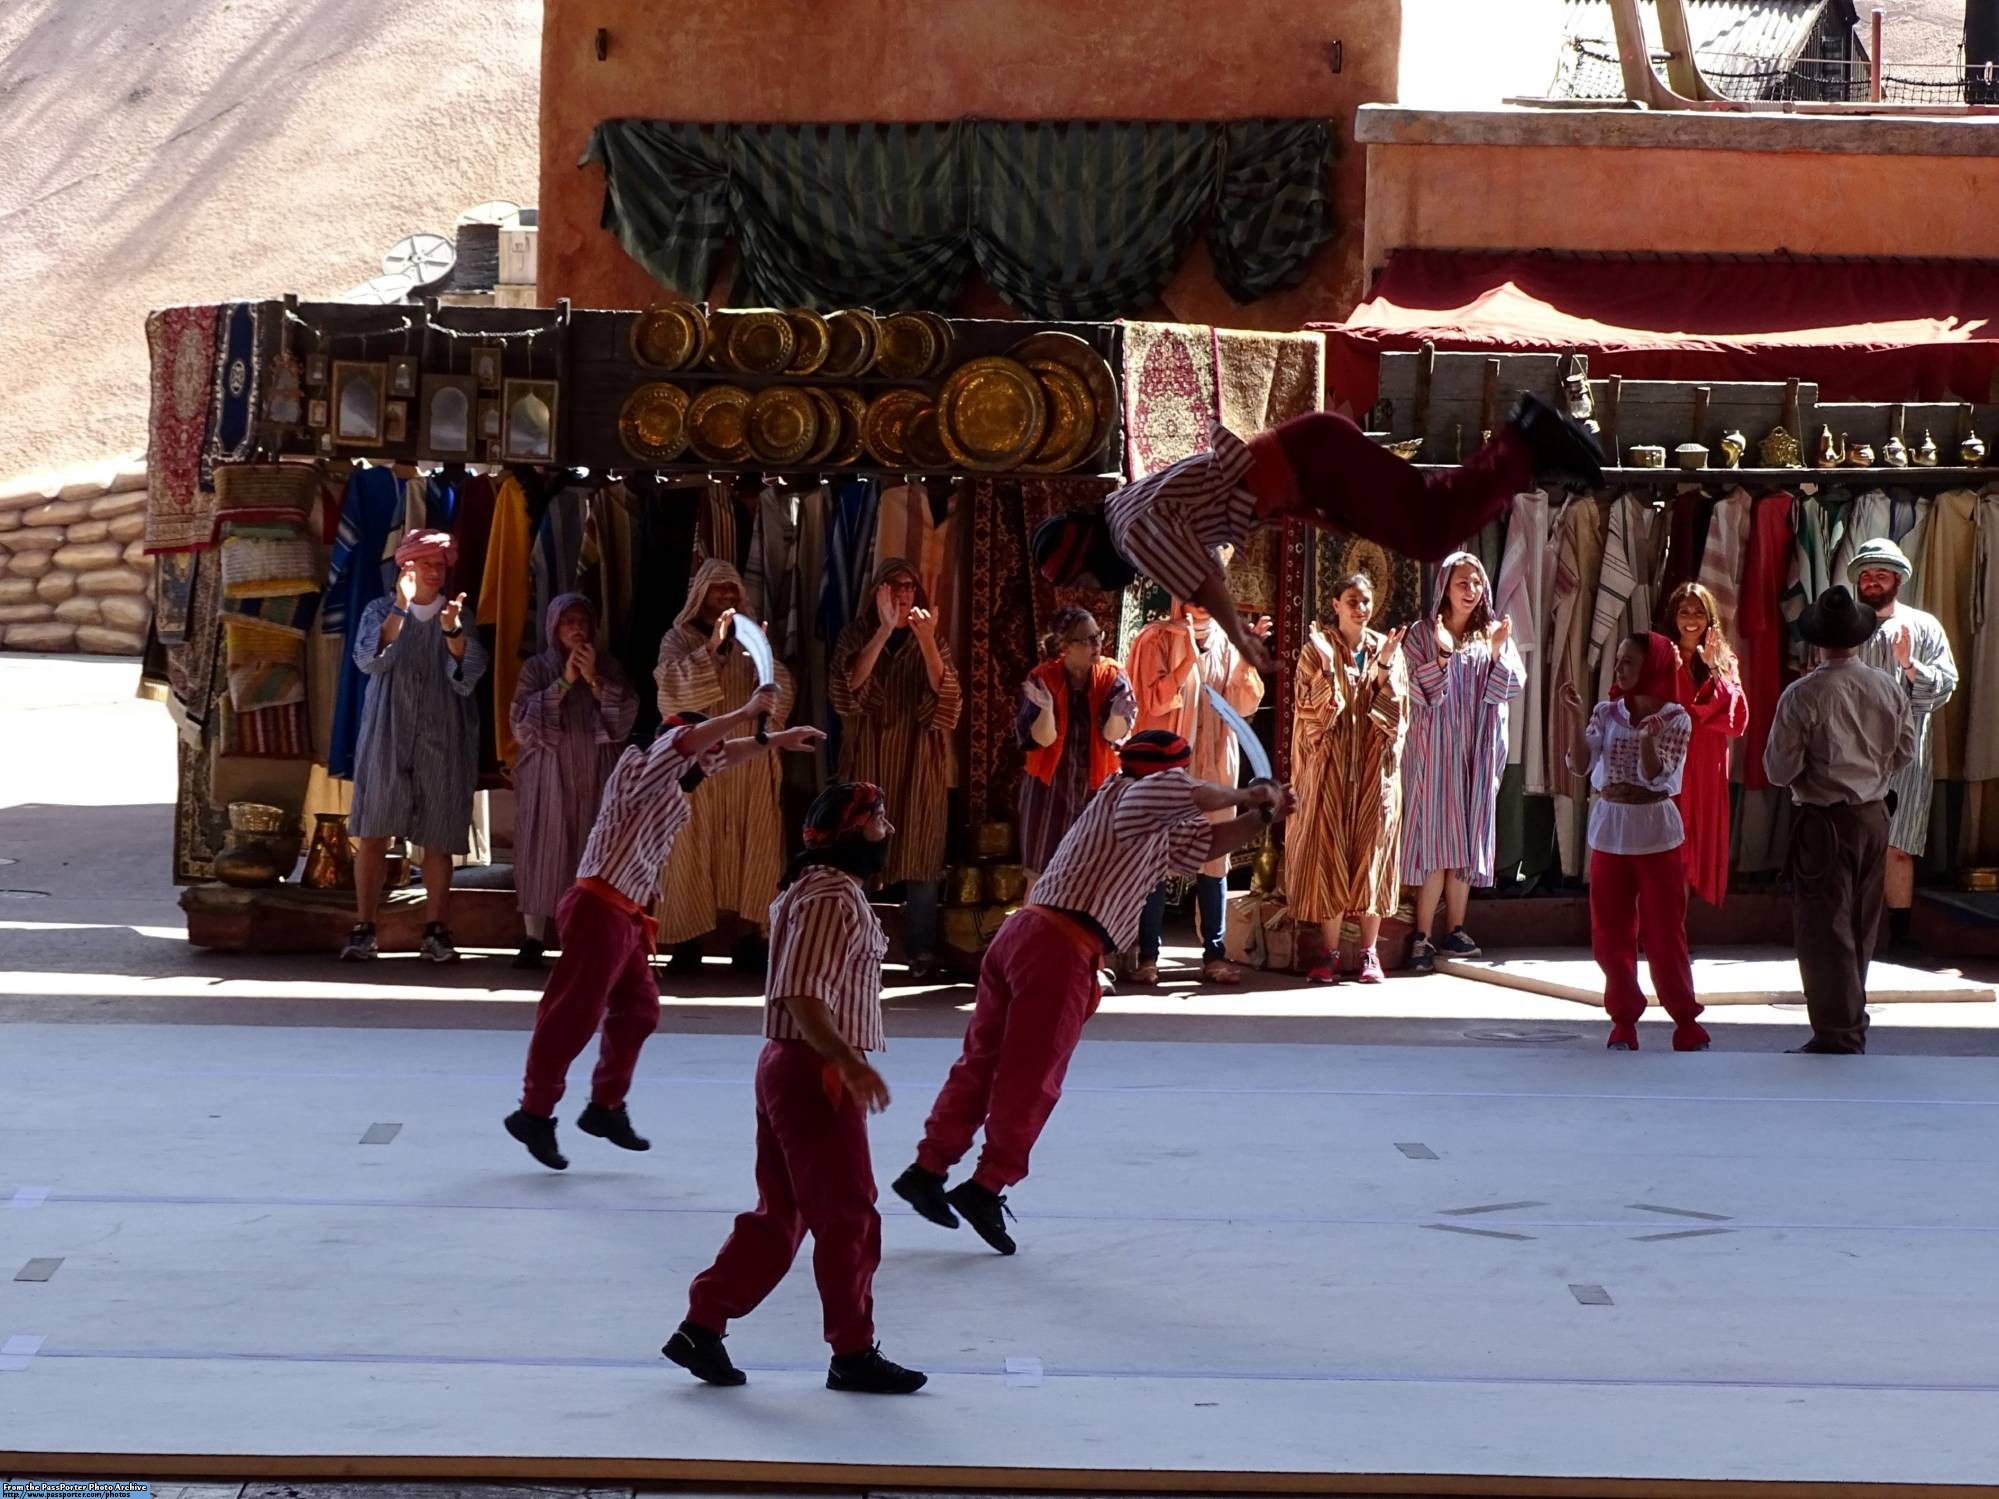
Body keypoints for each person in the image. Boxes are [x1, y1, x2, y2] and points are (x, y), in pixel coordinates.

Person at [892, 730, 1294, 1255]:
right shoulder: (1140, 793)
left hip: (1028, 934)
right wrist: (1248, 794)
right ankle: (986, 1185)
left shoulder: (1135, 809)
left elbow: (1203, 845)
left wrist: (1261, 817)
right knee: (1030, 1079)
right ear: (1168, 773)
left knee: (983, 1066)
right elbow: (1190, 792)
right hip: (1058, 946)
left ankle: (928, 1168)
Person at [664, 783, 928, 1396]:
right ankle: (853, 1352)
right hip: (813, 1070)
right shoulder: (829, 894)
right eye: (876, 817)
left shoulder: (819, 890)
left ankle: (702, 1324)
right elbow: (802, 992)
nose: (886, 827)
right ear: (849, 832)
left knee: (782, 1213)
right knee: (850, 1216)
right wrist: (846, 1062)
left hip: (795, 1065)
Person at [1031, 398, 1604, 677]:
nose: (1092, 585)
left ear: (1086, 555)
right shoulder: (1121, 509)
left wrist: (1237, 636)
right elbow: (1222, 519)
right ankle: (1524, 452)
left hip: (1310, 462)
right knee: (1425, 519)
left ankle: (1527, 440)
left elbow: (1204, 577)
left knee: (1431, 529)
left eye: (1082, 576)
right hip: (1307, 468)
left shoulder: (1130, 534)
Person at [503, 688, 823, 1169]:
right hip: (598, 907)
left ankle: (605, 1107)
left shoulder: (674, 777)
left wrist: (775, 739)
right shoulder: (642, 765)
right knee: (571, 1017)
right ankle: (534, 1111)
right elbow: (690, 744)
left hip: (624, 913)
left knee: (639, 1011)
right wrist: (744, 710)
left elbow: (719, 755)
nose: (708, 759)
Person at [1763, 586, 1916, 1054]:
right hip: (1872, 816)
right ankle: (1849, 1020)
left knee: (1824, 928)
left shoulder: (1803, 695)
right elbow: (1907, 751)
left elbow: (1778, 770)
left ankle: (1839, 1031)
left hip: (1824, 822)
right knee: (1860, 924)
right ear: (1858, 638)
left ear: (1816, 641)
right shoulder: (1886, 687)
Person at [340, 529, 488, 964]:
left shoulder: (458, 613)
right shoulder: (379, 610)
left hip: (442, 733)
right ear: (407, 567)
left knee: (439, 836)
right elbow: (369, 659)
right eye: (428, 564)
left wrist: (453, 631)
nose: (436, 572)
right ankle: (364, 928)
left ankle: (436, 931)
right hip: (388, 731)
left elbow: (469, 672)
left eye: (441, 565)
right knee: (373, 832)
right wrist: (402, 608)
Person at [1561, 633, 1708, 1052]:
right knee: (1609, 933)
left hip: (1656, 832)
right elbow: (1582, 764)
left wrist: (1646, 740)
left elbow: (1658, 778)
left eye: (1629, 662)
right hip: (1611, 830)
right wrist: (1575, 719)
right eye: (1619, 661)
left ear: (1653, 668)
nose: (1619, 669)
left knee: (1665, 932)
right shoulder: (1606, 712)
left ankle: (1684, 1019)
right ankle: (1623, 1018)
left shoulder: (1676, 718)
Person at [654, 559, 797, 974]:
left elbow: (782, 694)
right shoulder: (678, 639)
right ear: (700, 595)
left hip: (748, 764)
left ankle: (750, 935)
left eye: (732, 589)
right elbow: (670, 695)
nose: (727, 596)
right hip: (698, 765)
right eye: (718, 589)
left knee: (754, 849)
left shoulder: (752, 639)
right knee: (689, 849)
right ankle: (686, 940)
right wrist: (712, 651)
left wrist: (760, 662)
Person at [829, 557, 962, 980]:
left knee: (921, 859)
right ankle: (857, 950)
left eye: (909, 587)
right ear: (878, 593)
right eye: (893, 586)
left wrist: (925, 642)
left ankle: (920, 951)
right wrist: (885, 630)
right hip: (868, 760)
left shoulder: (930, 639)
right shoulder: (856, 634)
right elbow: (845, 691)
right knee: (860, 856)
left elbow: (948, 702)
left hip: (918, 765)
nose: (903, 594)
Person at [1126, 600, 1265, 985]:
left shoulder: (1226, 639)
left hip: (1217, 759)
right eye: (1193, 593)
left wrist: (1245, 662)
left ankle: (1214, 956)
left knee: (1215, 856)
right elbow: (1151, 701)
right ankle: (1148, 955)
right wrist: (1186, 655)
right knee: (1157, 855)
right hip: (1171, 767)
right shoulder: (1155, 638)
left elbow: (1241, 704)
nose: (1202, 603)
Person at [1398, 552, 1522, 973]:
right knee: (1437, 840)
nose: (1471, 591)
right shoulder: (1421, 635)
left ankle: (1456, 927)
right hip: (1435, 753)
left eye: (1476, 583)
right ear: (1445, 589)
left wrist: (1498, 652)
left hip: (1477, 751)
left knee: (1467, 841)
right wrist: (1444, 658)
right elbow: (1415, 690)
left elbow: (1510, 686)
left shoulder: (1490, 632)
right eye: (1461, 583)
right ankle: (1422, 935)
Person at [1289, 573, 1409, 985]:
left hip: (1374, 771)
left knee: (1373, 854)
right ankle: (1331, 952)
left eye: (1366, 601)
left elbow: (1397, 717)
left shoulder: (1386, 649)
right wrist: (1326, 666)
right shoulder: (1315, 649)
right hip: (1331, 770)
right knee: (1330, 852)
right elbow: (1312, 716)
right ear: (1335, 604)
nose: (1360, 608)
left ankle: (1370, 952)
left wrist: (1384, 670)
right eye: (1352, 600)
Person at [508, 594, 637, 970]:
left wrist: (595, 680)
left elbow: (624, 718)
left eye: (582, 621)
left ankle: (587, 939)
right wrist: (564, 682)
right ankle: (534, 939)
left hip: (597, 774)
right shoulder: (536, 668)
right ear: (553, 627)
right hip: (548, 775)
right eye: (568, 622)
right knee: (543, 849)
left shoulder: (608, 665)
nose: (576, 629)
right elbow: (521, 724)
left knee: (591, 850)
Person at [1846, 539, 1958, 956]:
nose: (1872, 581)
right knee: (1853, 843)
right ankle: (1853, 931)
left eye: (1881, 574)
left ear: (1898, 579)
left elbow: (1947, 683)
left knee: (1899, 844)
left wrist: (1910, 665)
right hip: (1850, 754)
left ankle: (1900, 934)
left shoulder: (1923, 626)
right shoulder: (1845, 624)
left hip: (1908, 751)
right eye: (1866, 575)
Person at [1017, 606, 1134, 879]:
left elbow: (1112, 735)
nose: (1097, 644)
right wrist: (1046, 710)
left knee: (1092, 876)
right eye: (1087, 639)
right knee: (1041, 876)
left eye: (1098, 636)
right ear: (1065, 646)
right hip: (1048, 792)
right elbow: (1041, 739)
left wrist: (1117, 713)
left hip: (1098, 791)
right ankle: (1035, 922)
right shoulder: (1042, 678)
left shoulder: (1113, 676)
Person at [1662, 582, 1746, 909]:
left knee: (1693, 845)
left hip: (1706, 764)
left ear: (1710, 617)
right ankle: (1663, 932)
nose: (1691, 619)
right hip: (1669, 764)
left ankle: (1675, 934)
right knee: (1670, 849)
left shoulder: (1726, 660)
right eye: (1684, 611)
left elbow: (1736, 720)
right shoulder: (1660, 655)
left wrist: (1713, 668)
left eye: (1699, 611)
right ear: (1673, 616)